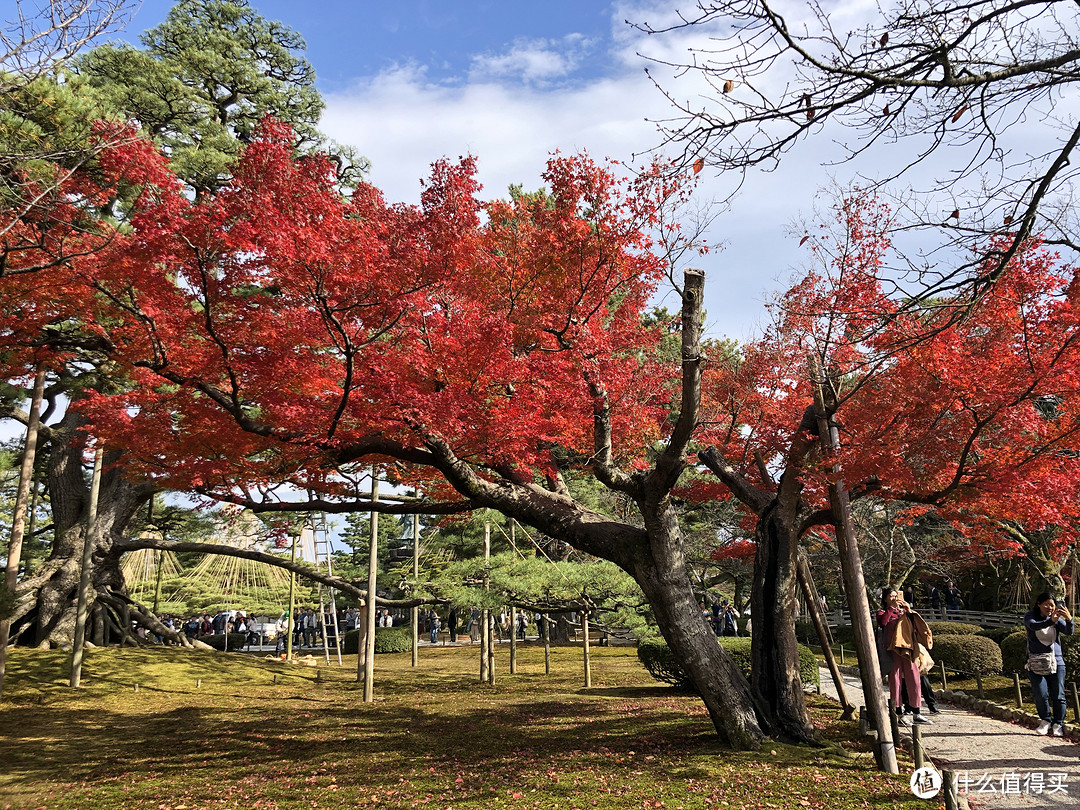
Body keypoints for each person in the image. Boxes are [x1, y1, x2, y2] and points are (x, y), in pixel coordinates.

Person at [877, 587, 933, 725]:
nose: (894, 598)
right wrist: (891, 609)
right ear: (885, 598)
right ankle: (898, 713)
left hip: (908, 650)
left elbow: (916, 626)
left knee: (914, 679)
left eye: (896, 596)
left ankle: (916, 712)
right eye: (891, 596)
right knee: (895, 681)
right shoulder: (882, 612)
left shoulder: (903, 612)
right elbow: (882, 623)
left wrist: (908, 610)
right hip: (892, 651)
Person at [1023, 592, 1073, 736]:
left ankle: (1058, 723)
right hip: (1035, 661)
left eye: (1053, 605)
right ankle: (1045, 720)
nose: (1050, 608)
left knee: (1058, 695)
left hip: (1056, 662)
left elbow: (1069, 632)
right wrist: (1051, 620)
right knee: (1040, 693)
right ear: (1039, 604)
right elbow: (1034, 626)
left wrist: (1069, 620)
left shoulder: (1056, 619)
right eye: (1047, 604)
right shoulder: (1030, 616)